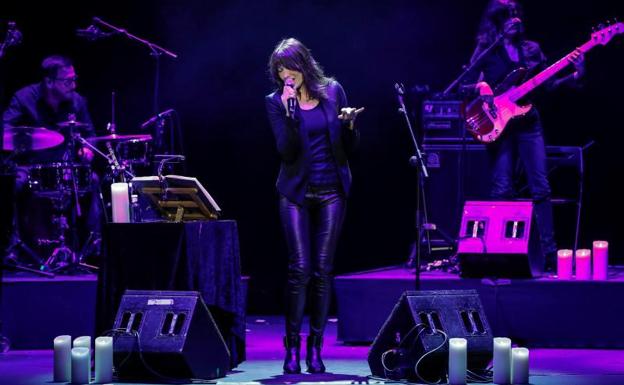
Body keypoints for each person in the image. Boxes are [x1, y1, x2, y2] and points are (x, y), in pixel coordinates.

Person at [463, 0, 585, 272]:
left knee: (541, 187)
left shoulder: (531, 50)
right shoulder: (486, 51)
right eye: (508, 15)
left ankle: (549, 254)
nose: (515, 18)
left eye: (517, 13)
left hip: (529, 123)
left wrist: (576, 75)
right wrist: (481, 85)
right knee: (501, 188)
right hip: (499, 125)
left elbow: (549, 84)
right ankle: (497, 250)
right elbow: (466, 83)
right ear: (497, 21)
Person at [265, 38, 363, 374]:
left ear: (303, 64)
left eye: (289, 67)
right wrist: (290, 112)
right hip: (294, 192)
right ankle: (291, 349)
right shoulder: (276, 102)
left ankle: (315, 349)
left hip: (332, 190)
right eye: (279, 69)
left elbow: (349, 148)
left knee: (323, 272)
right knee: (300, 270)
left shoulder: (333, 91)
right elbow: (286, 151)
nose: (284, 75)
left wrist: (350, 124)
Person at [2, 55, 101, 266]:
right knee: (12, 184)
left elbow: (90, 134)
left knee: (93, 180)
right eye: (67, 81)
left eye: (74, 79)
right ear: (48, 81)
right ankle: (13, 247)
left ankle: (95, 243)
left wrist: (86, 149)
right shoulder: (23, 98)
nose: (73, 85)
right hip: (29, 166)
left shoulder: (77, 101)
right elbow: (4, 130)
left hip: (63, 166)